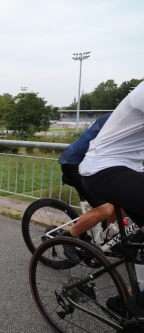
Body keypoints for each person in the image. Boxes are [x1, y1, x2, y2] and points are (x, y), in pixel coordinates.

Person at [80, 80, 144, 317]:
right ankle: (72, 237)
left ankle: (128, 298)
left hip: (124, 169)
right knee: (103, 211)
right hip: (101, 169)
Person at [57, 113, 118, 260]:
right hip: (75, 163)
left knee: (124, 202)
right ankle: (68, 238)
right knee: (105, 209)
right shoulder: (118, 119)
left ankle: (109, 237)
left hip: (97, 163)